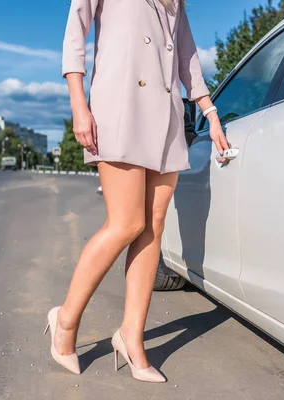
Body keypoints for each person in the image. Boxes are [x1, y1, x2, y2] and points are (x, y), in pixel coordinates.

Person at [43, 0, 229, 383]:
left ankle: (132, 336)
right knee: (126, 223)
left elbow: (187, 57)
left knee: (153, 227)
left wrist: (210, 113)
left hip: (166, 114)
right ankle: (65, 320)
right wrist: (79, 104)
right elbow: (75, 31)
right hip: (119, 106)